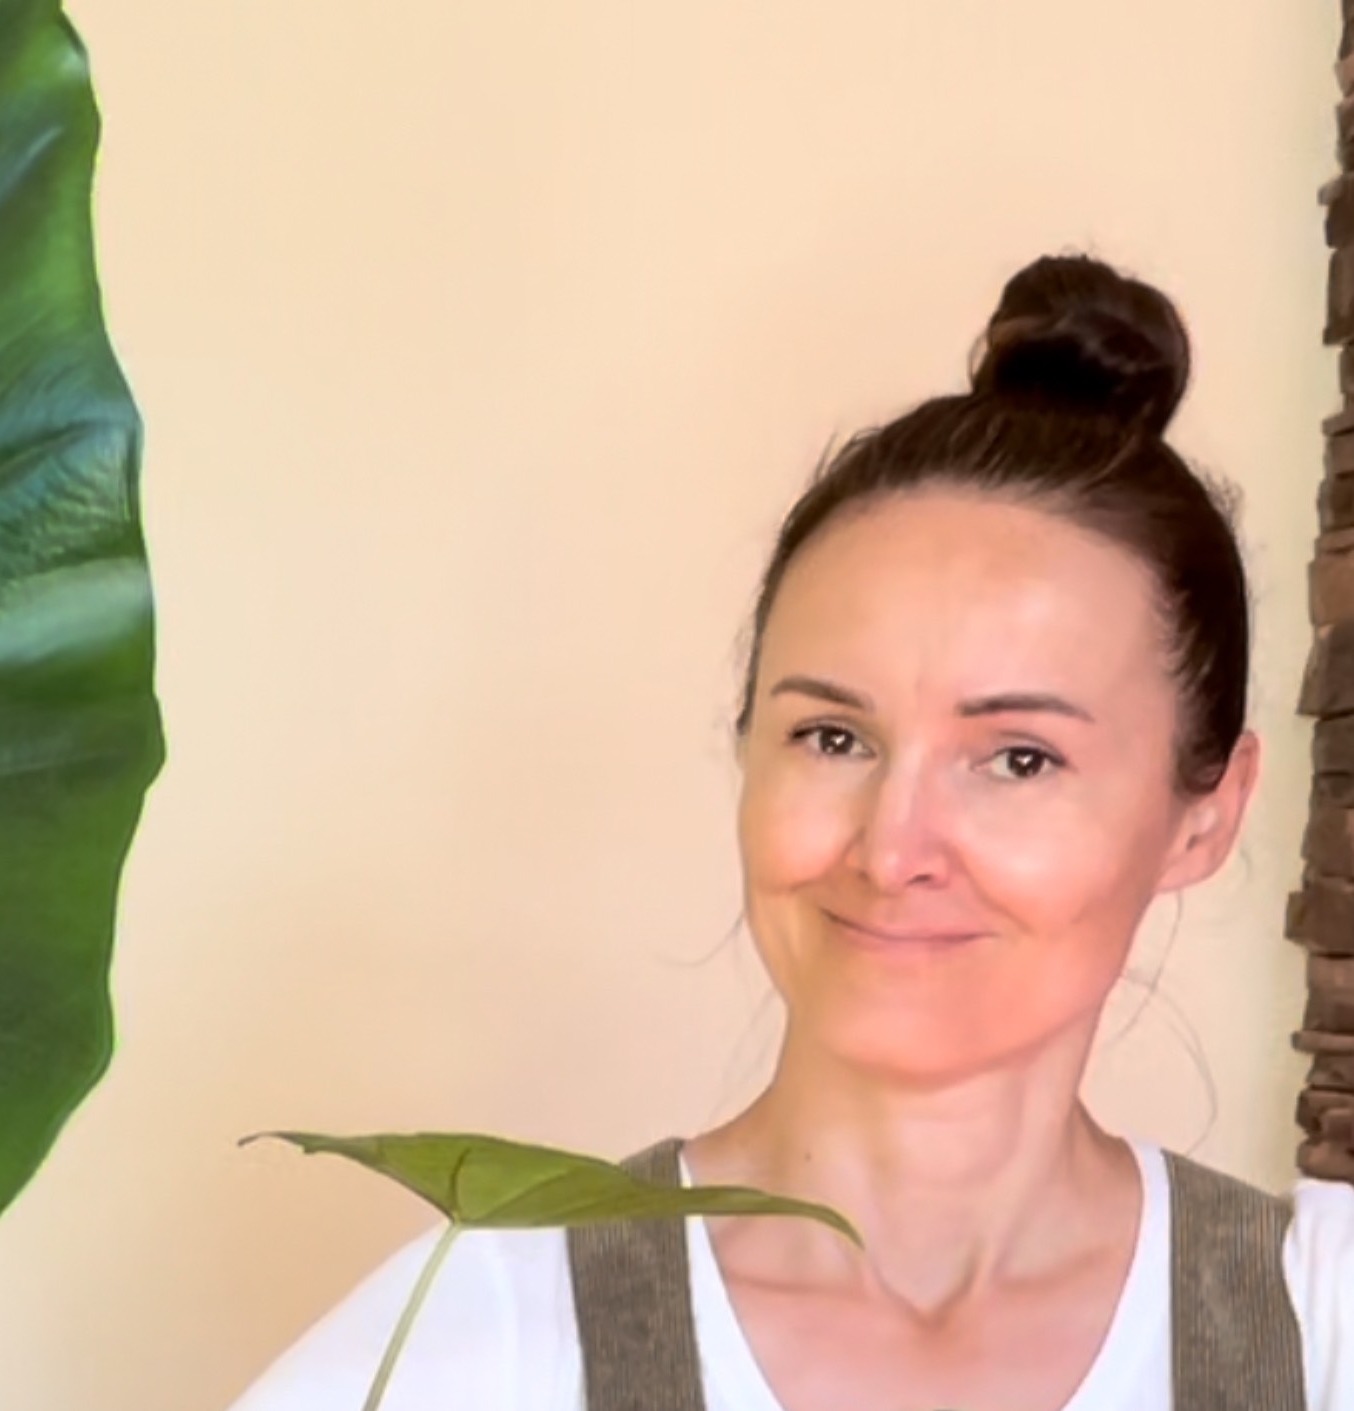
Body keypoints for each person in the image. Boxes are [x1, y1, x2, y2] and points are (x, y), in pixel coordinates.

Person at [226, 254, 1354, 1411]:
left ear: (1206, 816)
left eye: (1019, 757)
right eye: (833, 737)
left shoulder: (1322, 1324)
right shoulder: (495, 1325)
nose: (891, 848)